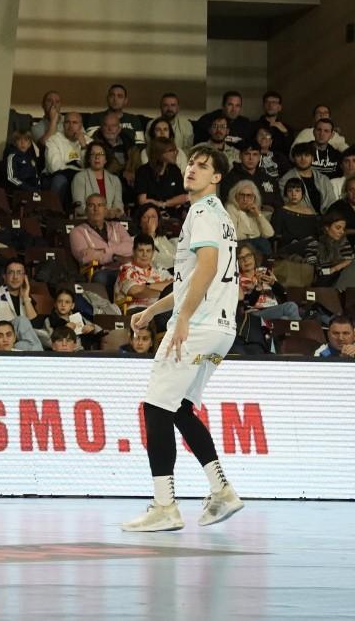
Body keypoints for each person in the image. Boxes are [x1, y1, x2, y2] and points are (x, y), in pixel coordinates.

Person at [123, 144, 243, 532]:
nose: (192, 169)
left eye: (203, 166)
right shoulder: (223, 218)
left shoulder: (203, 211)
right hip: (221, 329)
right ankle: (221, 490)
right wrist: (153, 311)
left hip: (199, 324)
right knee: (178, 409)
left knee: (155, 407)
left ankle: (165, 506)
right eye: (191, 163)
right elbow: (193, 279)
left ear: (217, 178)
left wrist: (184, 318)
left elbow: (206, 267)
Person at [116, 234, 173, 311]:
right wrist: (163, 293)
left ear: (153, 253)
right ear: (133, 251)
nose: (145, 254)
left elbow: (174, 286)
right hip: (137, 310)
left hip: (160, 309)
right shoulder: (126, 269)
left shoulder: (159, 269)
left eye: (148, 251)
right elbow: (136, 291)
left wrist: (147, 285)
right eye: (141, 250)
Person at [280, 143, 336, 214]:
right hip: (302, 217)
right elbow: (290, 204)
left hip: (326, 219)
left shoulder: (323, 179)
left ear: (312, 158)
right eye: (299, 155)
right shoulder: (285, 180)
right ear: (293, 159)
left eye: (306, 155)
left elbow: (331, 202)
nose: (303, 159)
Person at [72, 141, 124, 218]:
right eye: (93, 154)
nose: (97, 157)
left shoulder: (115, 180)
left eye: (101, 154)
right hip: (87, 221)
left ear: (106, 160)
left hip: (111, 221)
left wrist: (116, 211)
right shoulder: (79, 177)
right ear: (89, 159)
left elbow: (118, 204)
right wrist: (102, 213)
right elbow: (79, 207)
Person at [306, 212, 355, 290]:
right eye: (338, 228)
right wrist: (335, 268)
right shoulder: (314, 244)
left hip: (344, 280)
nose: (342, 232)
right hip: (324, 281)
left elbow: (349, 264)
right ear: (327, 227)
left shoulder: (344, 242)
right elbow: (315, 273)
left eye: (343, 229)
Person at [225, 179, 275, 255]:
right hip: (239, 245)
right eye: (242, 195)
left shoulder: (254, 211)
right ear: (235, 196)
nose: (245, 199)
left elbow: (269, 234)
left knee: (264, 243)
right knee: (262, 242)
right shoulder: (231, 208)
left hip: (256, 247)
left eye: (249, 196)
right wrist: (250, 236)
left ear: (254, 198)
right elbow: (233, 235)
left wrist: (258, 215)